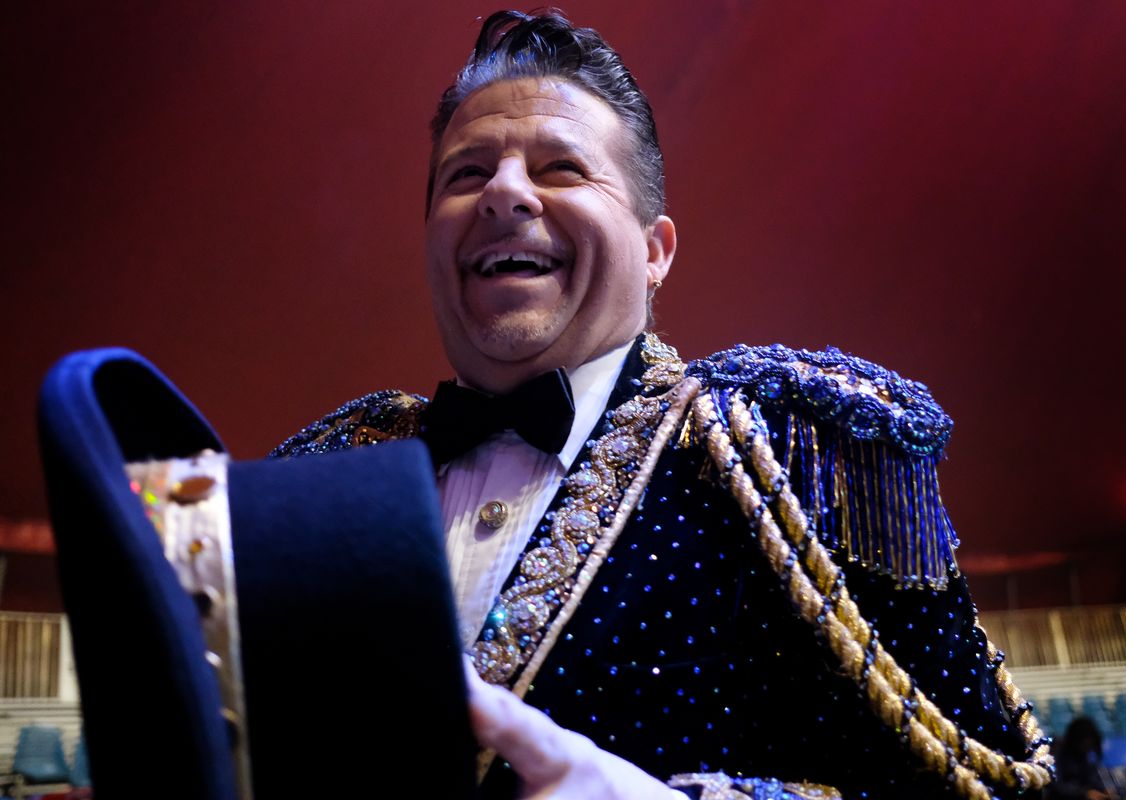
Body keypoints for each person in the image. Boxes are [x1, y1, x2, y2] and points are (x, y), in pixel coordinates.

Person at [271, 10, 1054, 799]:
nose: (504, 191)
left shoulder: (790, 451)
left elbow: (991, 791)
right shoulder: (329, 476)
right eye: (466, 175)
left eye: (560, 169)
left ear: (654, 251)